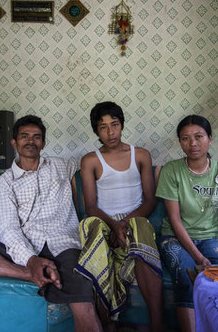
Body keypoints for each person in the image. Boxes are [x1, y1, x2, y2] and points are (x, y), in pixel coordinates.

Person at [0, 115, 102, 332]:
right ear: (14, 142)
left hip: (64, 247)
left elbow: (93, 162)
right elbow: (7, 229)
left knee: (86, 312)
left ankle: (42, 273)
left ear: (43, 143)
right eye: (24, 136)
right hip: (21, 248)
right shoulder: (5, 184)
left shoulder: (61, 166)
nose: (31, 141)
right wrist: (30, 261)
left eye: (36, 137)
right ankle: (30, 274)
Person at [75, 102, 163, 331]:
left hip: (134, 219)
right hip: (105, 222)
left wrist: (123, 224)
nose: (110, 132)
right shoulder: (90, 160)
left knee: (140, 226)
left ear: (122, 125)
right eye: (103, 127)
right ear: (96, 131)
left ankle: (156, 322)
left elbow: (150, 201)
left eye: (114, 124)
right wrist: (114, 226)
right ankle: (106, 323)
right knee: (90, 225)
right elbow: (90, 206)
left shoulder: (141, 155)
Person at [156, 115, 218, 332]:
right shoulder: (171, 170)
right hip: (174, 238)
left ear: (210, 139)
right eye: (185, 138)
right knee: (187, 277)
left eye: (198, 137)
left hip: (211, 237)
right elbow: (175, 219)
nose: (192, 143)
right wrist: (198, 257)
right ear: (180, 142)